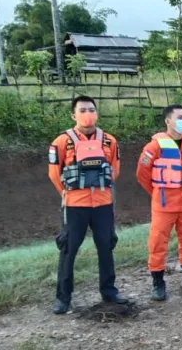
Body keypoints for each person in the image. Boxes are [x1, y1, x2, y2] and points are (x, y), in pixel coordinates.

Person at [48, 95, 127, 314]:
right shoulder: (61, 142)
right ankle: (63, 298)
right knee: (68, 250)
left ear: (97, 113)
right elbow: (55, 175)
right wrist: (69, 194)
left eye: (91, 109)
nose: (87, 114)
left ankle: (109, 291)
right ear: (74, 115)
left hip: (102, 204)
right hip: (75, 205)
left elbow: (115, 170)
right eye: (82, 110)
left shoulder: (109, 141)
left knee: (106, 246)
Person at [137, 104, 182, 300]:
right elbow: (142, 174)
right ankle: (158, 283)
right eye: (179, 117)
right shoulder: (154, 146)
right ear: (168, 121)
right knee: (157, 243)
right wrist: (157, 192)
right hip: (164, 204)